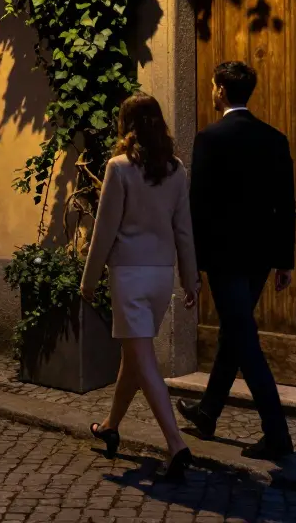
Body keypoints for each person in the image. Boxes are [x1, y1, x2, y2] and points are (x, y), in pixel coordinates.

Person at [176, 60, 296, 460]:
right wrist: (285, 260)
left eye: (213, 86)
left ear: (222, 91)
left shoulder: (210, 138)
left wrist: (191, 266)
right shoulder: (275, 139)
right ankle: (208, 412)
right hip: (260, 256)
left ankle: (277, 434)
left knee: (244, 339)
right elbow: (285, 203)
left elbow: (199, 207)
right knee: (235, 330)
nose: (212, 91)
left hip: (225, 257)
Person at [81, 93, 199, 483]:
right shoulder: (176, 169)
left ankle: (176, 444)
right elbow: (184, 230)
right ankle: (111, 425)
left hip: (129, 274)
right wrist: (191, 278)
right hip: (160, 275)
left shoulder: (119, 168)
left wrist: (88, 277)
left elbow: (104, 229)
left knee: (142, 357)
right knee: (134, 356)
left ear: (125, 125)